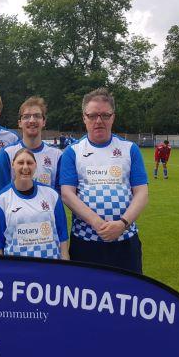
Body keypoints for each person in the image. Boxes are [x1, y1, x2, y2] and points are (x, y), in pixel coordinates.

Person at [60, 87, 148, 273]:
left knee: (128, 297)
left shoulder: (129, 149)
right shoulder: (72, 152)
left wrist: (122, 224)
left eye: (104, 115)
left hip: (125, 242)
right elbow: (68, 194)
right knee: (85, 298)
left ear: (113, 117)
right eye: (92, 116)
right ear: (84, 117)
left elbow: (141, 193)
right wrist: (97, 223)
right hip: (86, 242)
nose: (98, 121)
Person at [0, 148, 69, 260]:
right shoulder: (1, 200)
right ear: (13, 165)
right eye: (20, 162)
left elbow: (62, 235)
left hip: (51, 267)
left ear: (35, 165)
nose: (25, 167)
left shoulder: (51, 195)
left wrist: (65, 261)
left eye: (29, 163)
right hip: (18, 272)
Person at [0, 96, 62, 192]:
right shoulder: (7, 154)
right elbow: (2, 194)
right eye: (26, 116)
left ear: (44, 122)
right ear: (19, 123)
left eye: (37, 116)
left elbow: (58, 196)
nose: (32, 120)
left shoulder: (57, 155)